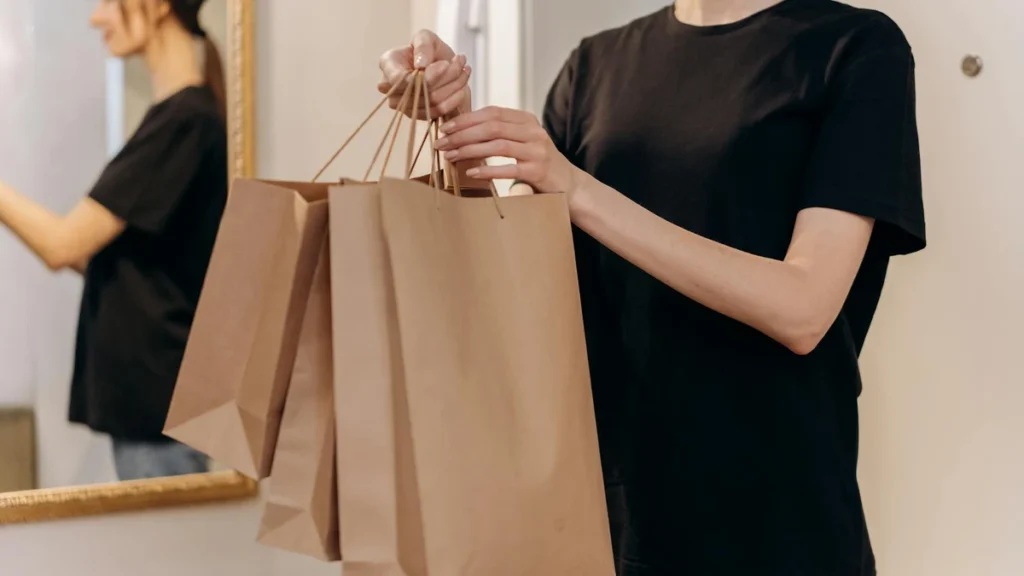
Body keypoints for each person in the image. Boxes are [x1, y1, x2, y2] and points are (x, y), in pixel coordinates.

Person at [379, 0, 925, 574]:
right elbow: (515, 285)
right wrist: (456, 124)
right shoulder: (594, 66)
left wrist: (575, 187)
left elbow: (804, 309)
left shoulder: (856, 47)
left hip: (773, 525)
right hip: (599, 514)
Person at [0, 0, 227, 481]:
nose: (96, 17)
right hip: (149, 411)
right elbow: (110, 258)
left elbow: (62, 246)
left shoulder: (185, 121)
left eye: (108, 1)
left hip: (158, 413)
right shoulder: (176, 118)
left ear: (158, 6)